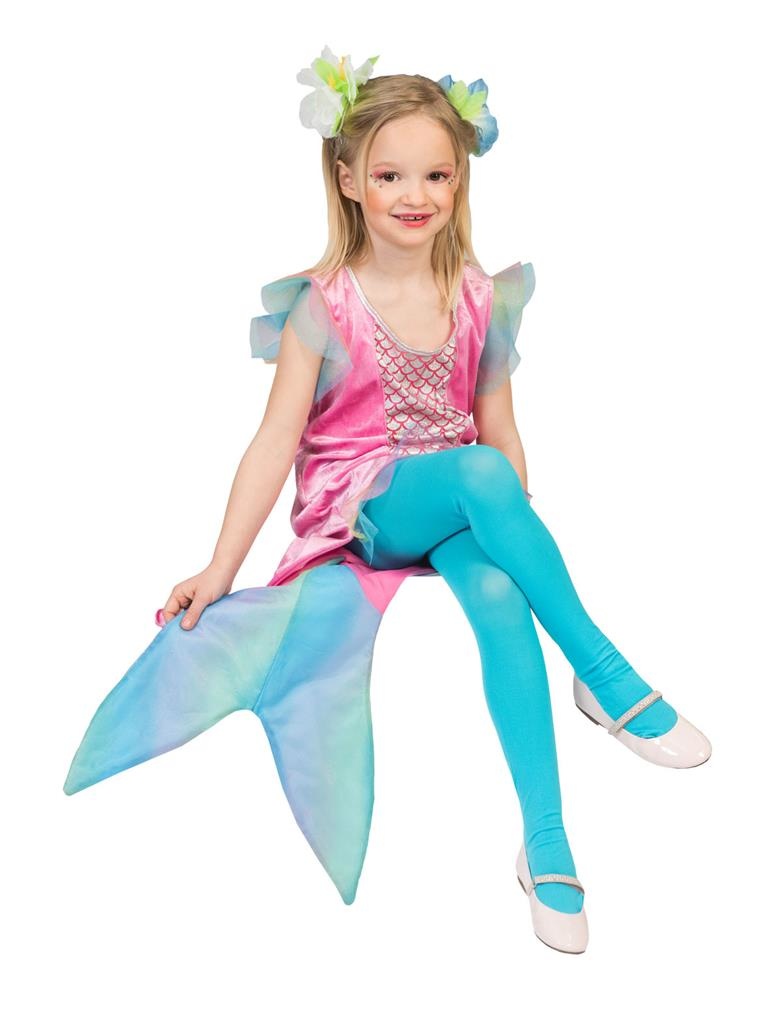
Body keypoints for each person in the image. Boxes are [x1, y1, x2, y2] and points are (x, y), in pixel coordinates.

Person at [63, 47, 711, 955]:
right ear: (348, 182)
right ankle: (604, 676)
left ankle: (546, 840)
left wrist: (509, 539)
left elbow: (501, 432)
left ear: (460, 179)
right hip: (359, 510)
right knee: (479, 473)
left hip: (455, 507)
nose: (415, 194)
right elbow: (274, 443)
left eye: (436, 174)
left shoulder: (478, 297)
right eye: (390, 175)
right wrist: (219, 566)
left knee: (499, 592)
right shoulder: (322, 305)